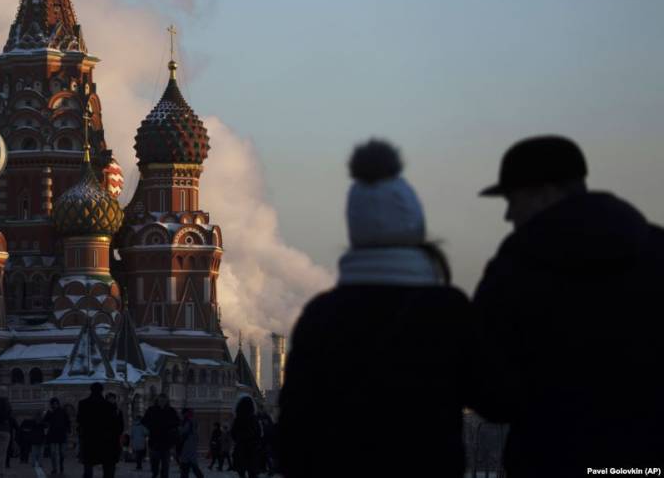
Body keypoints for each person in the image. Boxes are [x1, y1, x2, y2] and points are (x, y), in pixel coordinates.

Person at [471, 135, 664, 476]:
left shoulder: (514, 270)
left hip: (552, 459)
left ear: (545, 193)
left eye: (513, 199)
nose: (507, 215)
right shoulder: (658, 249)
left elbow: (491, 392)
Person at [278, 140, 470, 477]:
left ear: (354, 230)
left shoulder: (322, 316)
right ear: (415, 224)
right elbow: (494, 396)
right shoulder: (446, 309)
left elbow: (294, 427)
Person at [77, 382, 122, 478]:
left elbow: (79, 421)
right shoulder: (109, 406)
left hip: (89, 440)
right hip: (106, 441)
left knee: (88, 468)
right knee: (108, 469)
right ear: (102, 391)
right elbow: (115, 426)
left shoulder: (83, 404)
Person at [142, 393, 179, 478]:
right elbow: (144, 421)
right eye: (160, 400)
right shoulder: (151, 410)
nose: (162, 402)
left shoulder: (171, 411)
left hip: (166, 442)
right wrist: (151, 426)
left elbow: (177, 422)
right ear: (157, 401)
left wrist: (170, 427)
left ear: (166, 401)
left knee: (165, 468)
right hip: (154, 441)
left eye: (164, 400)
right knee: (155, 468)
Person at [231, 397, 262, 478]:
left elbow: (233, 433)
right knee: (252, 473)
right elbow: (259, 433)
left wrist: (238, 439)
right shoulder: (254, 419)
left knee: (241, 472)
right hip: (252, 448)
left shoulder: (238, 419)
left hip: (241, 448)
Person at [42, 396, 70, 475]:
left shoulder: (63, 411)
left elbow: (67, 421)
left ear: (58, 404)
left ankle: (61, 466)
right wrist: (49, 413)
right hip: (52, 435)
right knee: (53, 453)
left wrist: (68, 430)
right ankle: (54, 468)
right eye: (53, 404)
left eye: (56, 404)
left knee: (62, 453)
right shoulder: (50, 412)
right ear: (51, 404)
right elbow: (45, 421)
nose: (55, 405)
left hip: (61, 434)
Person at [177, 408, 204, 478]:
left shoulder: (188, 421)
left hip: (188, 445)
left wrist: (178, 429)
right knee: (190, 465)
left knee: (187, 465)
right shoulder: (191, 421)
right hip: (190, 445)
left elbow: (183, 431)